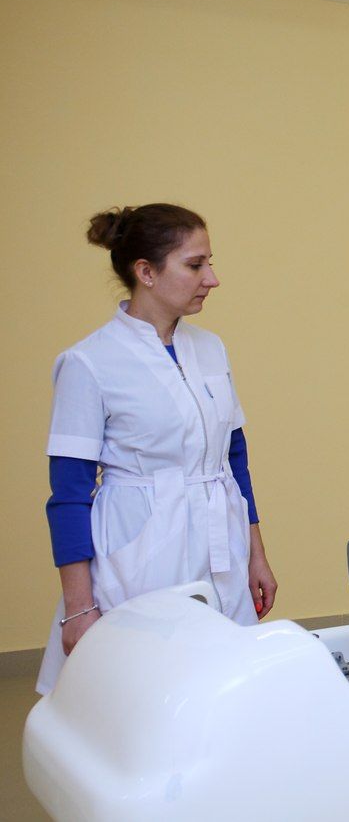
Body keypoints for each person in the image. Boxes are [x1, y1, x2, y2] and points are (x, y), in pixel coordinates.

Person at [36, 204, 277, 695]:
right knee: (143, 693)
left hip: (222, 544)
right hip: (143, 551)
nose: (211, 279)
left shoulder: (211, 349)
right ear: (145, 272)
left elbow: (234, 461)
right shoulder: (89, 363)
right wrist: (79, 607)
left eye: (210, 263)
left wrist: (257, 555)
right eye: (195, 265)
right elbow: (68, 494)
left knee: (223, 690)